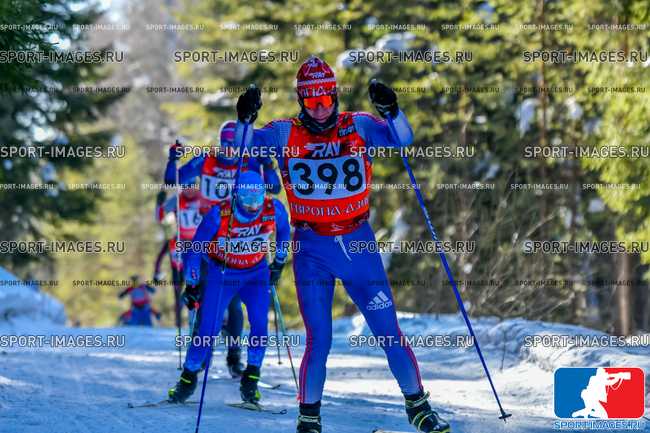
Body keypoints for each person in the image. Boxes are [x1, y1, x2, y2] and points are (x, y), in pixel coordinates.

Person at [233, 56, 450, 433]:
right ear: (301, 101)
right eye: (311, 101)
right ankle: (309, 418)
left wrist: (392, 110)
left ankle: (418, 406)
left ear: (334, 95)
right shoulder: (285, 133)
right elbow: (244, 148)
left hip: (358, 245)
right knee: (319, 339)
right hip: (312, 249)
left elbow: (402, 138)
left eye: (325, 100)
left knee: (388, 330)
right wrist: (244, 120)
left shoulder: (358, 125)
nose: (320, 109)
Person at [167, 170, 290, 405]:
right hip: (222, 274)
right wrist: (192, 284)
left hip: (255, 273)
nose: (253, 205)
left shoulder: (273, 208)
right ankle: (188, 378)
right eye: (247, 199)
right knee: (208, 329)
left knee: (259, 325)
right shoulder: (219, 213)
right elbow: (195, 249)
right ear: (236, 195)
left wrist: (280, 261)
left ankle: (251, 379)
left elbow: (284, 231)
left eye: (257, 198)